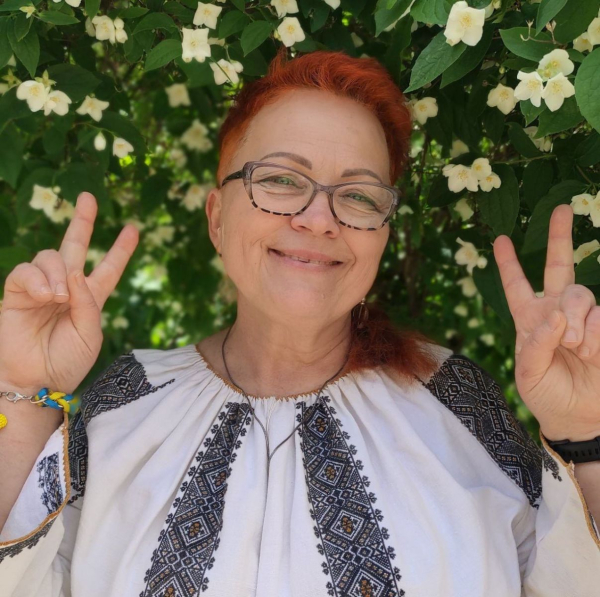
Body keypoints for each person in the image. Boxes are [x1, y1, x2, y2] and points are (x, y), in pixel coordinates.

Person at [0, 47, 599, 597]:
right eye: (281, 180)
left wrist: (587, 435)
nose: (319, 219)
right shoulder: (128, 402)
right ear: (217, 218)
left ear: (383, 234)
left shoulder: (456, 403)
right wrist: (22, 390)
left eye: (359, 195)